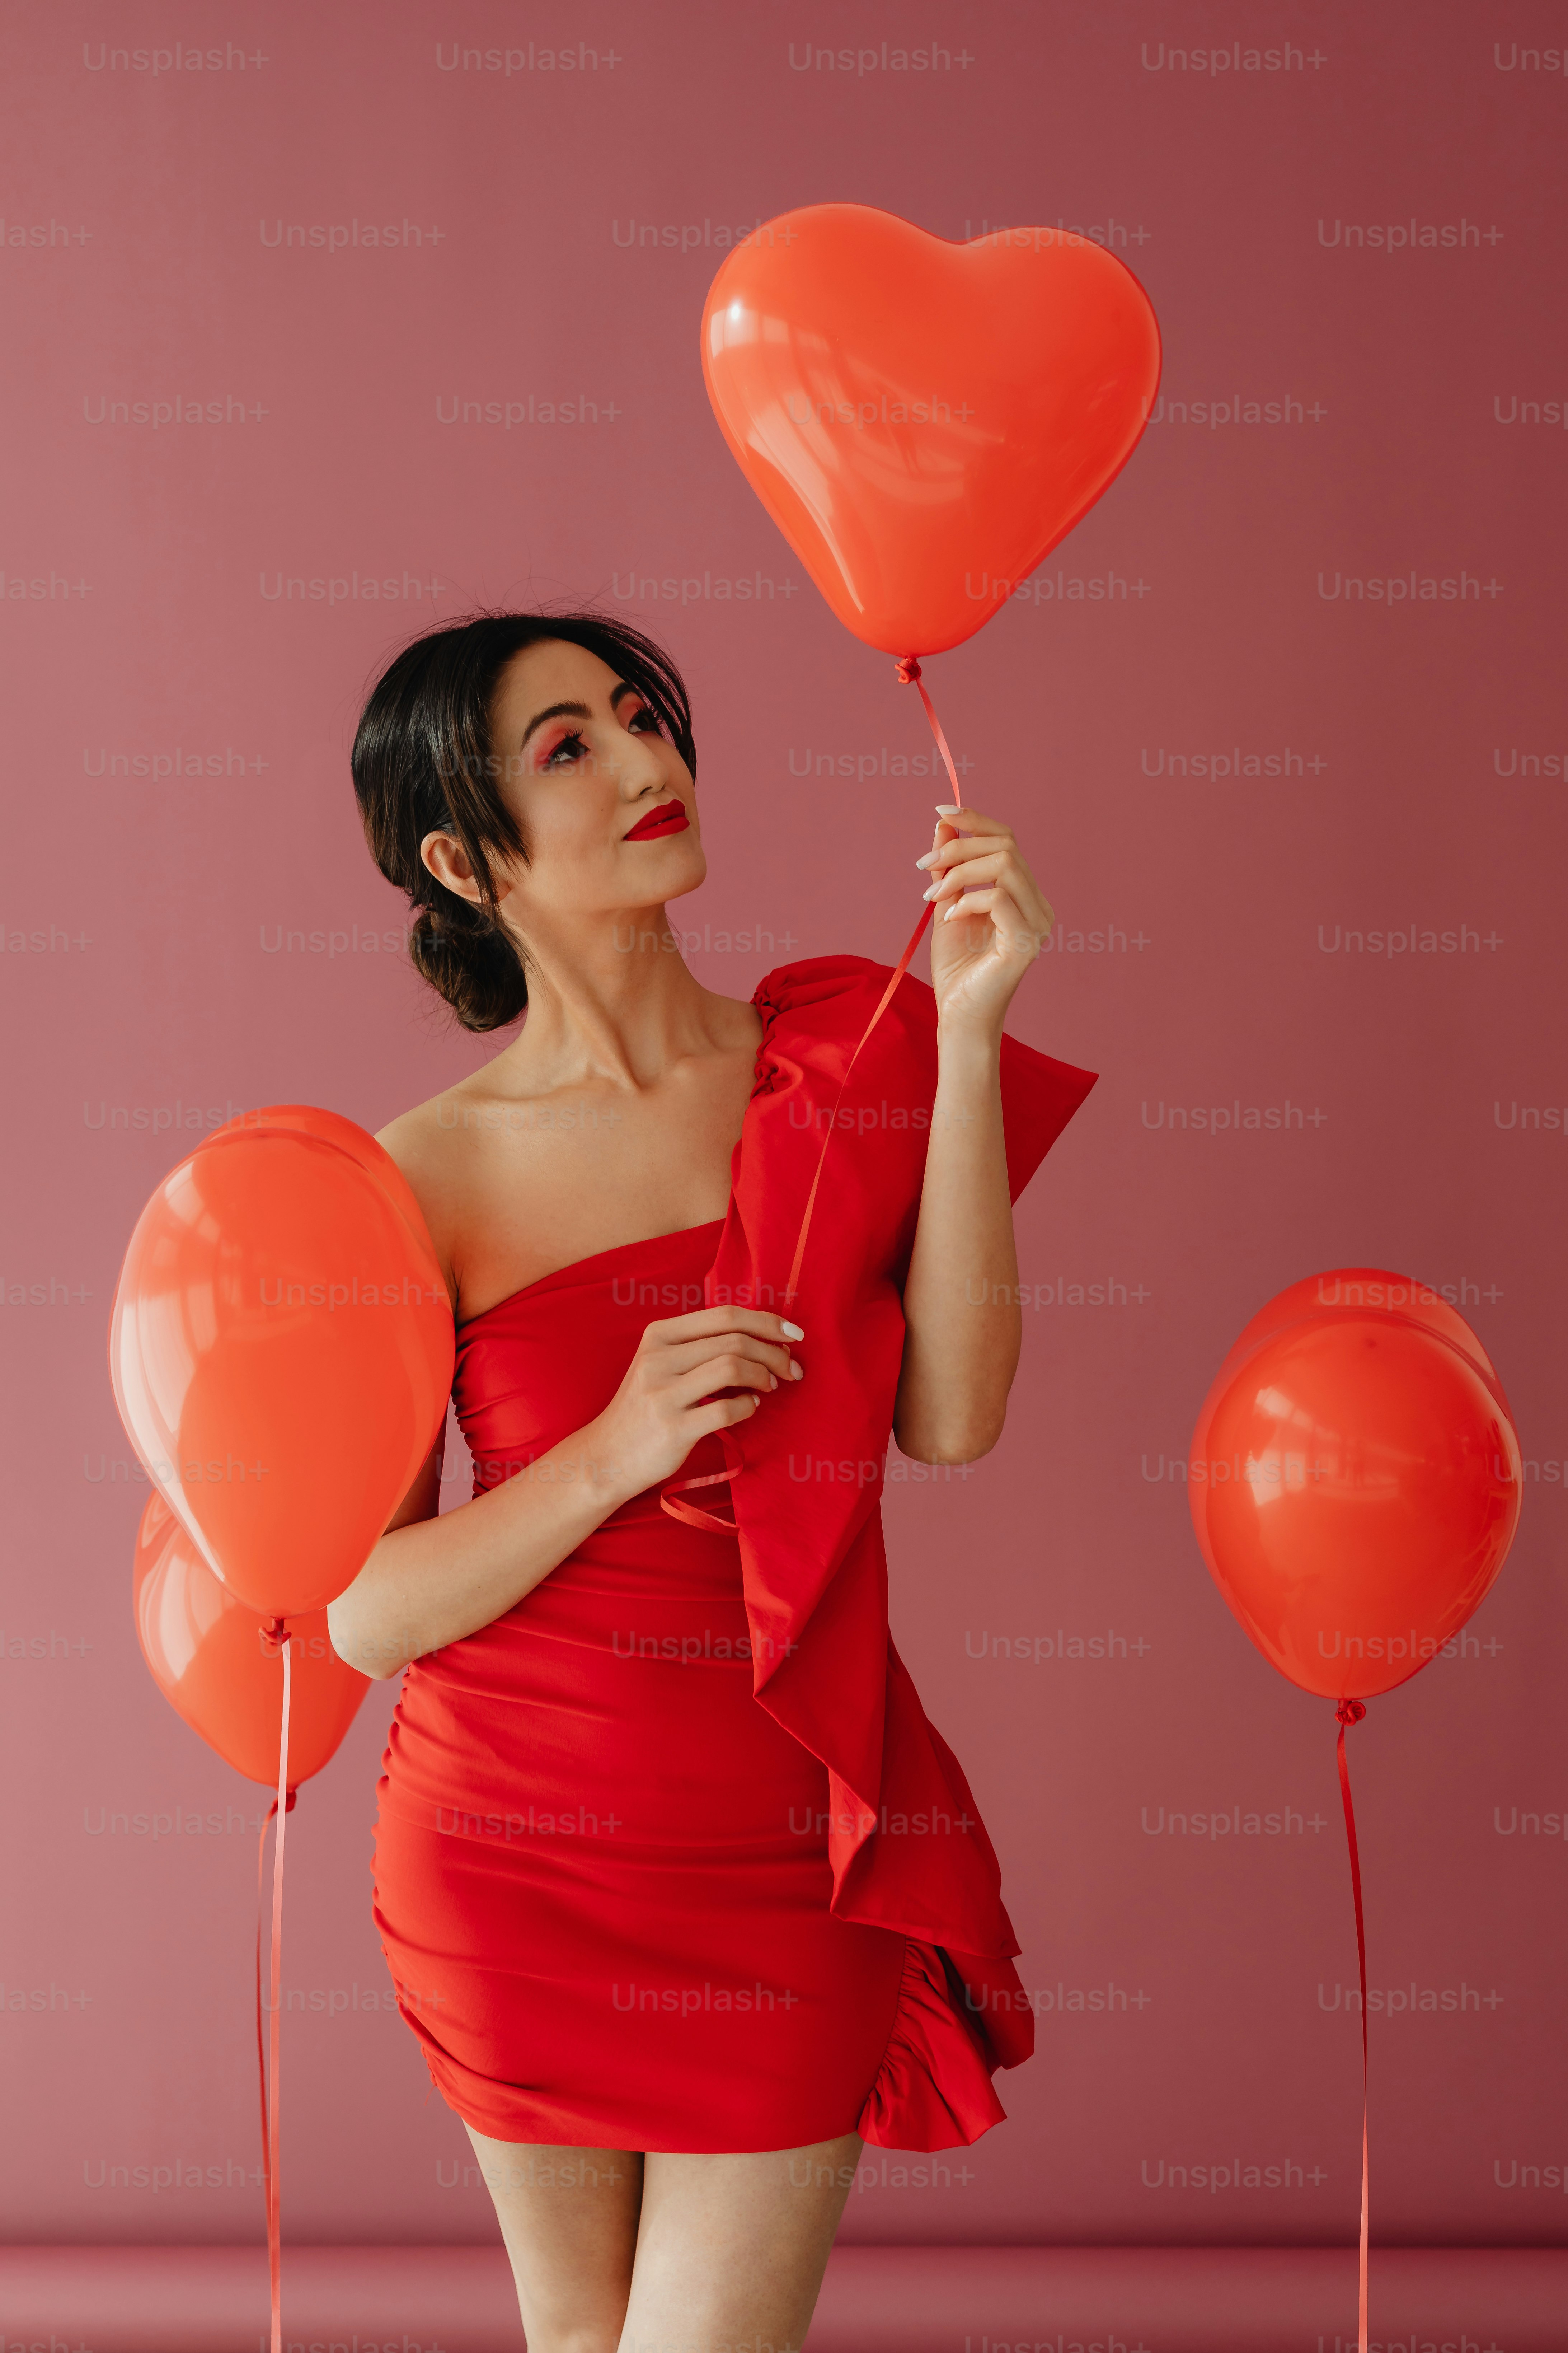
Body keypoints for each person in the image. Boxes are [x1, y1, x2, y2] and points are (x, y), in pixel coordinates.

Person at [329, 609, 1090, 2353]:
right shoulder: (417, 1174)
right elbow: (366, 1609)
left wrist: (967, 1031)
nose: (647, 763)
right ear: (462, 856)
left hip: (782, 1848)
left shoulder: (840, 1058)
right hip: (505, 1849)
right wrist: (612, 1450)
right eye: (570, 749)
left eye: (642, 715)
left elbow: (955, 1417)